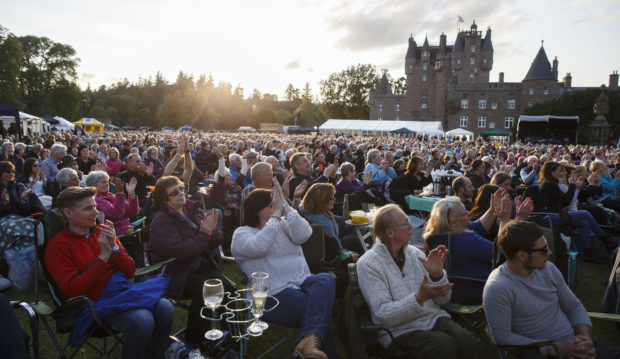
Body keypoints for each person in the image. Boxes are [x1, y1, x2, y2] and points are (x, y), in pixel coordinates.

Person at [44, 187, 174, 359]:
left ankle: (155, 355)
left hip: (122, 290)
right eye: (88, 208)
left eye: (94, 206)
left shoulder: (102, 232)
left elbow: (129, 271)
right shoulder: (57, 246)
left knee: (166, 308)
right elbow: (73, 290)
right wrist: (103, 258)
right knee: (143, 321)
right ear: (68, 212)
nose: (95, 212)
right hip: (91, 303)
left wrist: (113, 247)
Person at [356, 204, 481, 358]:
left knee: (467, 341)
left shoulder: (414, 253)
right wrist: (419, 298)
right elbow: (383, 314)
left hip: (432, 318)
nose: (411, 226)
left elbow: (443, 300)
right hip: (399, 330)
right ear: (390, 233)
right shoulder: (368, 264)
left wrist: (437, 276)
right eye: (405, 224)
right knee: (444, 346)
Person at [483, 220, 620, 359]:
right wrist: (554, 348)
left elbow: (573, 306)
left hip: (575, 342)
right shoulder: (498, 288)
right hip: (542, 352)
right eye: (543, 249)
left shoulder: (548, 269)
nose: (549, 252)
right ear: (522, 255)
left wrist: (585, 339)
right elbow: (502, 337)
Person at [231, 185, 337, 359]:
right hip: (270, 294)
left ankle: (307, 343)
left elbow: (304, 234)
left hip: (302, 281)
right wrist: (275, 216)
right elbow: (260, 247)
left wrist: (286, 206)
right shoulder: (242, 234)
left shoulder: (282, 225)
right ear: (256, 209)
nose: (276, 207)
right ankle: (311, 345)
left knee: (326, 279)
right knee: (318, 309)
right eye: (271, 205)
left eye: (276, 204)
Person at [149, 176, 234, 347]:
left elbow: (216, 240)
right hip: (176, 273)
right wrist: (204, 234)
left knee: (229, 288)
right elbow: (180, 253)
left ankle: (232, 337)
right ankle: (195, 341)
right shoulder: (161, 221)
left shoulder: (192, 209)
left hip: (199, 267)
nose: (180, 194)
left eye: (181, 189)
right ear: (164, 199)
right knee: (208, 291)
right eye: (174, 193)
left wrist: (213, 231)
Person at [86, 171, 139, 236]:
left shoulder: (112, 195)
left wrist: (131, 193)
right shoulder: (95, 200)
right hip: (116, 235)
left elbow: (132, 213)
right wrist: (119, 193)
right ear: (93, 185)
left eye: (108, 182)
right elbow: (116, 214)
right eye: (103, 182)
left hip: (128, 230)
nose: (107, 184)